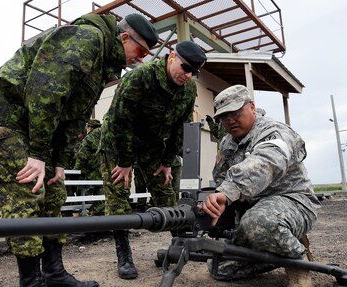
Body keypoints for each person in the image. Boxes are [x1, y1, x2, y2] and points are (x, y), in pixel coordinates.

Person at [0, 11, 158, 287]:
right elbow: (45, 93)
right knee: (27, 192)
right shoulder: (88, 38)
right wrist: (39, 155)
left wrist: (59, 160)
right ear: (124, 38)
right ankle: (31, 281)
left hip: (34, 125)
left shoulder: (103, 62)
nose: (141, 58)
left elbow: (74, 115)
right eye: (141, 50)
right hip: (5, 117)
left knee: (54, 191)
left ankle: (53, 273)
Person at [99, 40, 207, 280]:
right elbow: (120, 120)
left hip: (153, 146)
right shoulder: (140, 78)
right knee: (118, 196)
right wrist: (125, 161)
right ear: (171, 56)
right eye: (185, 67)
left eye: (194, 72)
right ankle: (124, 254)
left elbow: (181, 127)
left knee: (166, 194)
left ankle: (180, 245)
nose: (188, 75)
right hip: (118, 143)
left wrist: (167, 160)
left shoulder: (188, 89)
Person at [198, 85, 320, 286]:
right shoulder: (227, 143)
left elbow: (266, 162)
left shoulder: (274, 132)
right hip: (252, 210)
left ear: (252, 107)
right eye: (224, 116)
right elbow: (220, 179)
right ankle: (278, 245)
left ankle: (298, 261)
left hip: (293, 202)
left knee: (259, 223)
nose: (230, 120)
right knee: (219, 267)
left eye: (236, 112)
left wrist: (227, 192)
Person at [74, 119, 104, 216]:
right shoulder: (105, 134)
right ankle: (99, 214)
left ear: (90, 127)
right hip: (105, 169)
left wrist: (76, 170)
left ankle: (85, 215)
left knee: (85, 193)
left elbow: (82, 155)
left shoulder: (89, 137)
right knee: (101, 192)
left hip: (92, 170)